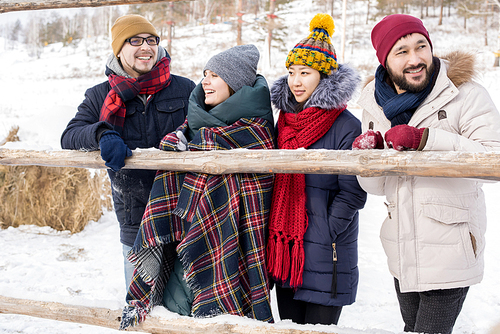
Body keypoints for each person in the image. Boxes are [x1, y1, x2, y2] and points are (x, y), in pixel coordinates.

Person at [352, 14, 500, 334]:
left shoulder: (466, 94)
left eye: (421, 46)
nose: (416, 59)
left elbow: (494, 163)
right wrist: (368, 159)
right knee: (412, 329)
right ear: (385, 60)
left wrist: (427, 140)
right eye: (401, 51)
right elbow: (377, 188)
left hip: (453, 247)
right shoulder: (374, 105)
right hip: (401, 248)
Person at [119, 44, 276, 329]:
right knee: (177, 318)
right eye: (205, 73)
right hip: (183, 244)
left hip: (234, 249)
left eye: (215, 75)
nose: (205, 81)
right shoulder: (190, 129)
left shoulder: (257, 132)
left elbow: (257, 199)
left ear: (236, 82)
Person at [60, 14, 195, 288]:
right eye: (135, 40)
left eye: (151, 40)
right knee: (143, 307)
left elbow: (204, 127)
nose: (146, 47)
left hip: (185, 214)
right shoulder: (100, 95)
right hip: (135, 217)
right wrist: (101, 133)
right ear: (119, 49)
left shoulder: (184, 89)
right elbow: (70, 135)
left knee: (188, 307)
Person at [266, 13, 367, 326]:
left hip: (325, 250)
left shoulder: (345, 125)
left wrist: (325, 230)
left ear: (324, 77)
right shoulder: (283, 122)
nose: (296, 81)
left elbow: (353, 192)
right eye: (292, 72)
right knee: (288, 329)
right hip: (287, 249)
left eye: (305, 72)